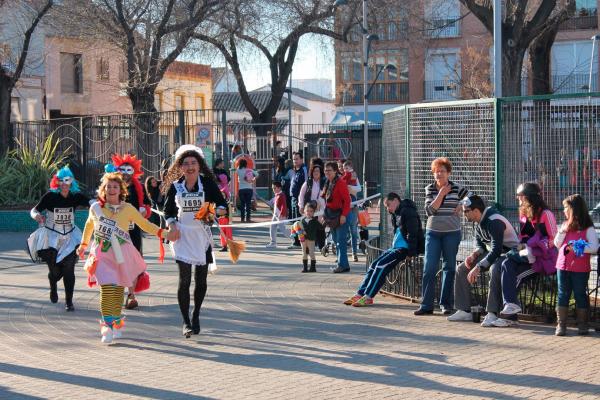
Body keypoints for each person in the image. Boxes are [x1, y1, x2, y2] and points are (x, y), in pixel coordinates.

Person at [77, 172, 170, 344]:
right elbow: (89, 225)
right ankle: (107, 326)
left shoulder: (128, 209)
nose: (111, 189)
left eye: (115, 187)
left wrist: (163, 233)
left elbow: (145, 225)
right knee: (107, 288)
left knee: (118, 289)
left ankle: (116, 322)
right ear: (103, 189)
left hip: (123, 254)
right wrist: (83, 245)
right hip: (102, 254)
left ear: (121, 190)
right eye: (108, 187)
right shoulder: (96, 208)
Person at [162, 145, 227, 337]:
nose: (190, 167)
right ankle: (185, 321)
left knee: (201, 280)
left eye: (193, 163)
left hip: (202, 236)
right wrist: (172, 225)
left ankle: (196, 314)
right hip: (182, 236)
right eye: (186, 164)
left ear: (199, 165)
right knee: (184, 281)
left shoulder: (207, 184)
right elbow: (168, 212)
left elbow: (222, 205)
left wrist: (213, 211)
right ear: (180, 167)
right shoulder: (176, 186)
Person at [447, 195, 519, 327]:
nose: (464, 214)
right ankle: (464, 310)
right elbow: (480, 244)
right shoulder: (477, 221)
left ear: (475, 211)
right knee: (462, 269)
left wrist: (479, 267)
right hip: (493, 253)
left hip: (509, 254)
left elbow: (497, 250)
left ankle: (492, 312)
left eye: (465, 211)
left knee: (494, 269)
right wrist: (475, 254)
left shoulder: (494, 221)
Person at [27, 166, 90, 311]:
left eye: (67, 180)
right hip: (51, 238)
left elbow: (91, 203)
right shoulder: (50, 196)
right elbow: (34, 210)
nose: (64, 184)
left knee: (69, 269)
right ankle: (53, 285)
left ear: (71, 182)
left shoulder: (76, 196)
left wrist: (99, 205)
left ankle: (69, 302)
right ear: (57, 182)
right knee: (55, 272)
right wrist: (36, 215)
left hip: (70, 237)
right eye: (61, 180)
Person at [344, 192, 424, 306]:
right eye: (386, 206)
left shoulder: (408, 211)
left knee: (381, 266)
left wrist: (411, 252)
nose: (388, 209)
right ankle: (360, 294)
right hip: (396, 247)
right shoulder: (396, 213)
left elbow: (413, 233)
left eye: (389, 205)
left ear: (396, 200)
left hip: (404, 249)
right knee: (374, 265)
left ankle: (368, 296)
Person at [415, 157, 470, 316]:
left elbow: (472, 198)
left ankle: (445, 304)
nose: (439, 174)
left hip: (452, 233)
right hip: (433, 233)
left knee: (450, 267)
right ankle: (426, 305)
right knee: (430, 268)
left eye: (442, 171)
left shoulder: (457, 188)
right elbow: (430, 211)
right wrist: (441, 194)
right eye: (436, 172)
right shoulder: (430, 189)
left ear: (448, 173)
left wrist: (462, 205)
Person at [498, 182, 558, 325]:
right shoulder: (523, 214)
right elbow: (523, 237)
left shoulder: (546, 214)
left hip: (543, 259)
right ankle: (510, 308)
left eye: (519, 196)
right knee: (506, 262)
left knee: (516, 277)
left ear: (527, 197)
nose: (517, 198)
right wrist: (522, 247)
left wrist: (536, 248)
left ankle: (510, 317)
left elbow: (554, 240)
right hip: (527, 256)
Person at [108, 153, 152, 310]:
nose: (126, 173)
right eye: (123, 169)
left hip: (133, 231)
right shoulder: (112, 185)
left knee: (133, 262)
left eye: (129, 170)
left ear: (134, 171)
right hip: (114, 231)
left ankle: (131, 295)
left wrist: (144, 210)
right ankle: (115, 294)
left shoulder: (138, 188)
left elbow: (148, 205)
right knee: (114, 262)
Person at [554, 194, 599, 336]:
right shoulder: (565, 225)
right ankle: (561, 325)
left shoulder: (588, 228)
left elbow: (594, 247)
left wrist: (579, 248)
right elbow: (557, 244)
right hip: (563, 265)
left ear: (574, 209)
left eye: (566, 208)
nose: (564, 211)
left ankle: (583, 325)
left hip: (580, 268)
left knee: (580, 294)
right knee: (562, 294)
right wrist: (562, 231)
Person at [322, 161, 351, 273]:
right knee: (335, 240)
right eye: (325, 170)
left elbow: (347, 201)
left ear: (335, 171)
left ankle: (342, 265)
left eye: (329, 170)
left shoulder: (340, 183)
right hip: (331, 215)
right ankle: (344, 264)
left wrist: (344, 215)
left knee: (340, 241)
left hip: (340, 215)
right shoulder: (328, 183)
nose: (327, 172)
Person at [299, 164, 327, 250]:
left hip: (321, 209)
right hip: (310, 209)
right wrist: (301, 206)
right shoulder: (308, 182)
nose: (316, 173)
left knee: (320, 227)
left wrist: (320, 202)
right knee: (309, 228)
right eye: (314, 171)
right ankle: (308, 246)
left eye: (318, 171)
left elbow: (327, 195)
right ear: (311, 172)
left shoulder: (324, 182)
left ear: (321, 172)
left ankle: (322, 246)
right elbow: (301, 194)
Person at [342, 160, 362, 262]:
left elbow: (359, 188)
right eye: (344, 168)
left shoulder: (354, 176)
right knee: (344, 231)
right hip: (344, 207)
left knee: (353, 230)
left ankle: (354, 253)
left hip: (353, 207)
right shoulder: (342, 178)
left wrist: (351, 187)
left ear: (351, 168)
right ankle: (343, 254)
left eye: (347, 168)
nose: (346, 170)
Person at [288, 152, 308, 248]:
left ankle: (301, 242)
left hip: (300, 200)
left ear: (301, 159)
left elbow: (306, 185)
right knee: (294, 222)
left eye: (297, 159)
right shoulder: (296, 170)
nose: (295, 161)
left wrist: (302, 202)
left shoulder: (304, 169)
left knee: (300, 221)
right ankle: (296, 241)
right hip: (293, 199)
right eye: (294, 159)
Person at [299, 202, 321, 272]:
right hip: (303, 239)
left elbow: (321, 227)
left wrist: (324, 221)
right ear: (304, 211)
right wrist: (301, 232)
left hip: (311, 239)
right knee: (304, 252)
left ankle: (313, 267)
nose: (309, 212)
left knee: (311, 253)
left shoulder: (315, 221)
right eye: (307, 211)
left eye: (311, 211)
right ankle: (305, 267)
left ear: (314, 213)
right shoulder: (302, 221)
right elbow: (298, 229)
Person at [266, 181, 288, 249]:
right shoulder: (276, 195)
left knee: (283, 230)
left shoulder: (282, 195)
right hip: (275, 216)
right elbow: (273, 202)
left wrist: (282, 214)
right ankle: (273, 242)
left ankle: (296, 239)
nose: (273, 190)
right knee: (272, 228)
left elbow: (284, 206)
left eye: (275, 188)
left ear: (279, 188)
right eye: (273, 188)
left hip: (280, 216)